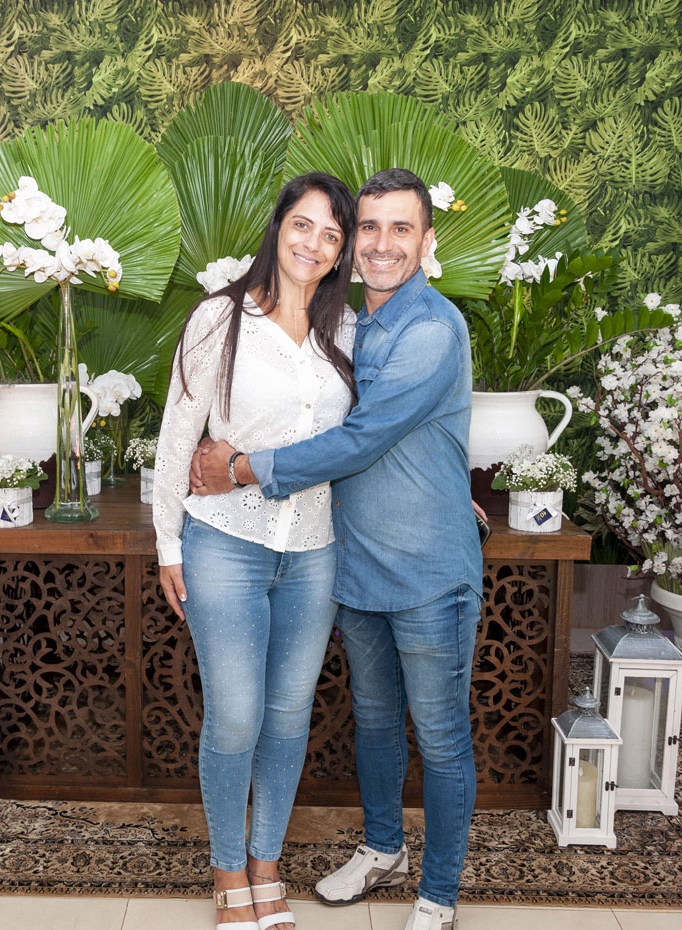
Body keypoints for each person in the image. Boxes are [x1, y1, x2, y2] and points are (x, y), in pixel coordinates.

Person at [192, 168, 484, 930]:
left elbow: (361, 439)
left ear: (427, 241)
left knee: (441, 739)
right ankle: (383, 848)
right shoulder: (348, 325)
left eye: (401, 229)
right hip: (353, 567)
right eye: (370, 228)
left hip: (428, 574)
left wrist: (245, 468)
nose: (382, 244)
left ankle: (438, 894)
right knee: (376, 724)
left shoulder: (432, 329)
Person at [152, 172, 359, 930]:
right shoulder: (221, 318)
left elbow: (362, 439)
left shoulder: (347, 330)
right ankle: (227, 868)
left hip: (314, 549)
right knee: (236, 717)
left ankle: (267, 860)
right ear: (278, 228)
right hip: (225, 544)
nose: (314, 243)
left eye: (331, 235)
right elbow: (178, 435)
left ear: (340, 253)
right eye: (303, 225)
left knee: (289, 715)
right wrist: (167, 543)